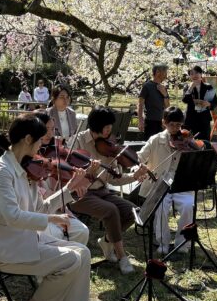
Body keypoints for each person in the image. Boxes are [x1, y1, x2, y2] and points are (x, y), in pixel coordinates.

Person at [0, 115, 94, 301]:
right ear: (27, 139)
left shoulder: (27, 167)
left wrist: (67, 189)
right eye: (38, 143)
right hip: (5, 247)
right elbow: (13, 216)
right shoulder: (2, 171)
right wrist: (52, 219)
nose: (41, 149)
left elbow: (40, 208)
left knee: (83, 253)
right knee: (72, 260)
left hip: (26, 240)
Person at [71, 106, 149, 274]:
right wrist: (88, 174)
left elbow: (114, 178)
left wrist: (134, 177)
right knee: (111, 210)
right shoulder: (77, 142)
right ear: (95, 126)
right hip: (80, 193)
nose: (110, 130)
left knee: (132, 211)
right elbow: (70, 178)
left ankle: (107, 240)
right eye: (106, 127)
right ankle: (122, 256)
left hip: (102, 191)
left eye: (110, 127)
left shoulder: (109, 146)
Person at [137, 107, 196, 255]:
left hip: (180, 184)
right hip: (159, 184)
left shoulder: (186, 140)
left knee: (189, 205)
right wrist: (136, 167)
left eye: (179, 125)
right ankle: (162, 242)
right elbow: (140, 157)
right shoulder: (155, 140)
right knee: (161, 206)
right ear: (164, 123)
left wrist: (190, 150)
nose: (176, 129)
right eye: (172, 125)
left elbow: (196, 161)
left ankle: (182, 243)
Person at [34, 111, 91, 244]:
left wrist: (79, 183)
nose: (50, 133)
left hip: (58, 206)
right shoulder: (28, 160)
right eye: (45, 129)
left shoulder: (57, 153)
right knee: (56, 233)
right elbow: (42, 198)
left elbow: (69, 184)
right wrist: (68, 189)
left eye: (52, 129)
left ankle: (72, 260)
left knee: (82, 231)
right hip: (39, 212)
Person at [182, 66, 216, 140]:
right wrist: (190, 88)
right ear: (190, 76)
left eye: (197, 73)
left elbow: (215, 102)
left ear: (201, 74)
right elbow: (185, 100)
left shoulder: (208, 87)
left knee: (205, 142)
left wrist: (209, 104)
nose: (194, 75)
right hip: (190, 119)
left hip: (204, 119)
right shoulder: (187, 86)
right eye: (191, 74)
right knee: (189, 142)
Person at [137, 64, 170, 139]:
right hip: (150, 122)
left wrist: (164, 94)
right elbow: (140, 104)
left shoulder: (163, 88)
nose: (166, 75)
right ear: (158, 72)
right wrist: (140, 121)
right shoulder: (147, 86)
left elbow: (167, 107)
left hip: (162, 123)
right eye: (165, 72)